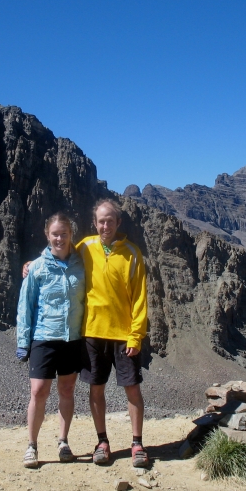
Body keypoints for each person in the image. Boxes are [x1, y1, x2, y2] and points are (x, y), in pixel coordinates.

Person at [76, 199, 149, 468]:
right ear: (94, 223)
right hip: (93, 333)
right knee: (96, 389)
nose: (105, 225)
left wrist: (136, 335)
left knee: (132, 389)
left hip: (123, 335)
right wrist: (31, 264)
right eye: (101, 220)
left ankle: (137, 443)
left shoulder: (132, 253)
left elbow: (140, 296)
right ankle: (102, 442)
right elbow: (57, 258)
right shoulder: (84, 247)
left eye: (110, 220)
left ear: (118, 222)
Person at [16, 212, 86, 469]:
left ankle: (63, 441)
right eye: (55, 234)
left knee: (66, 390)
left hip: (72, 338)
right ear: (48, 235)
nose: (60, 238)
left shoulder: (82, 263)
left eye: (64, 234)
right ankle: (32, 445)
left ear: (71, 235)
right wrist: (23, 342)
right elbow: (26, 306)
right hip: (43, 337)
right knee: (38, 391)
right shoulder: (36, 267)